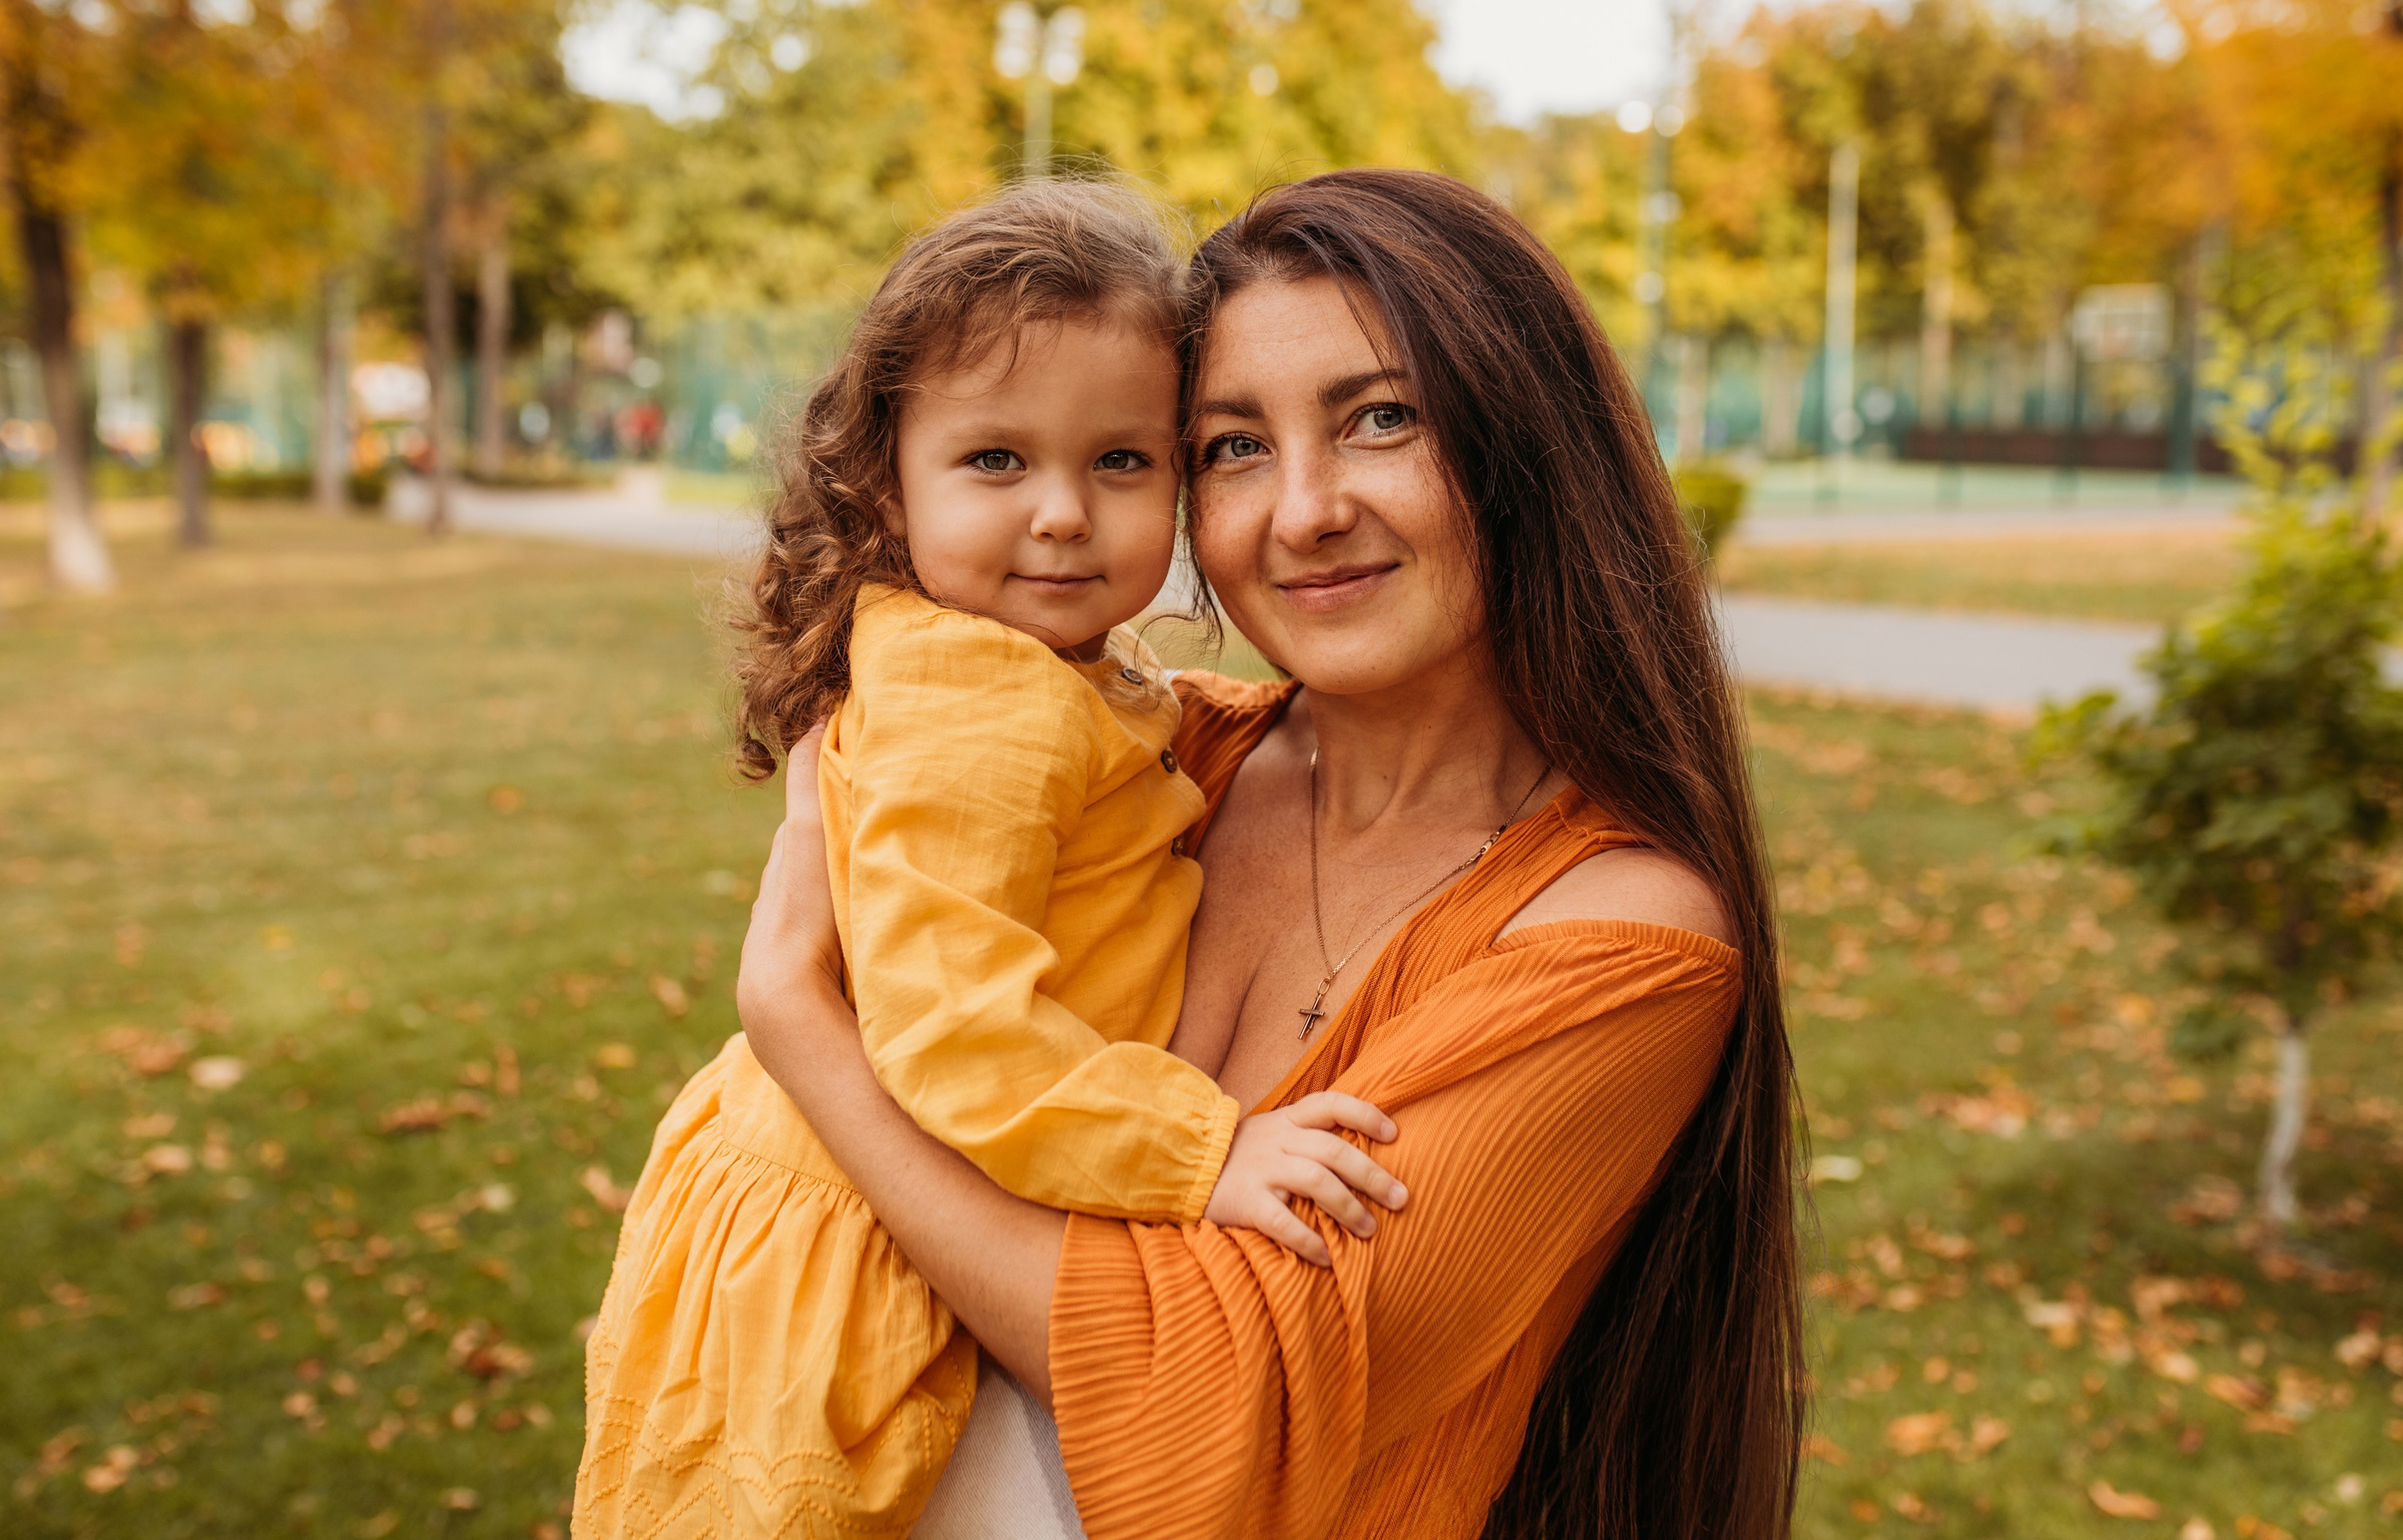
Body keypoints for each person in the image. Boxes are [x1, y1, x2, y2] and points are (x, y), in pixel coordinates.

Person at [733, 170, 1806, 1540]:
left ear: (1529, 443)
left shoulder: (1622, 940)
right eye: (1234, 445)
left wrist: (796, 1022)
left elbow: (1205, 1405)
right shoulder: (1155, 758)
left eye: (1380, 420)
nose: (1303, 511)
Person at [572, 182, 1405, 1540]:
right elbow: (955, 1034)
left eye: (1122, 462)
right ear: (884, 485)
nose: (1065, 513)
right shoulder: (984, 703)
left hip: (869, 1198)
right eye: (997, 461)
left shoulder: (1054, 671)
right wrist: (1204, 1152)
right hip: (850, 1240)